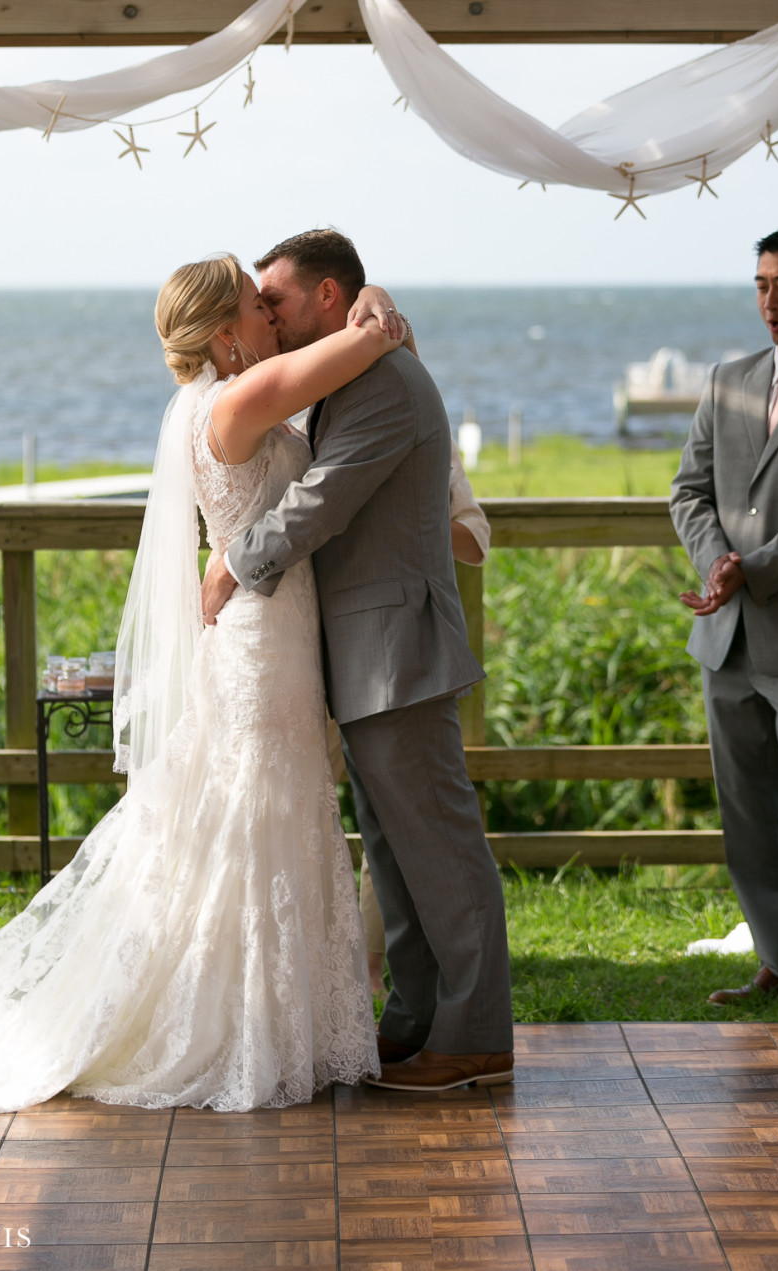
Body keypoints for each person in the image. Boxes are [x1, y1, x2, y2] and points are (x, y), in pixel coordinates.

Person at [0, 254, 403, 1120]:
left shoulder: (209, 401)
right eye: (257, 308)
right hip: (262, 644)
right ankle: (252, 1032)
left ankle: (274, 1021)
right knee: (263, 813)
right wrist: (373, 301)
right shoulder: (235, 398)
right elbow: (362, 343)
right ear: (223, 334)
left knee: (259, 818)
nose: (270, 316)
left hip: (270, 632)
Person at [203, 230, 513, 1092]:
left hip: (397, 648)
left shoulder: (384, 379)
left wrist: (235, 559)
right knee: (399, 853)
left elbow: (322, 497)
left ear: (332, 296)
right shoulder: (354, 368)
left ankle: (478, 1035)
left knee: (442, 850)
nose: (268, 311)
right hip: (366, 653)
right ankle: (414, 1021)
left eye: (280, 299)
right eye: (256, 303)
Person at [671, 223, 778, 1005]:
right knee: (750, 815)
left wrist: (751, 565)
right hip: (726, 641)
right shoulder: (728, 379)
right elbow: (686, 490)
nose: (770, 300)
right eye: (760, 284)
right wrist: (715, 561)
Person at [326, 444, 491, 998]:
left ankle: (371, 967)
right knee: (306, 808)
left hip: (379, 649)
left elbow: (474, 537)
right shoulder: (298, 417)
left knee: (390, 820)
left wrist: (407, 516)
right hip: (304, 644)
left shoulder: (422, 433)